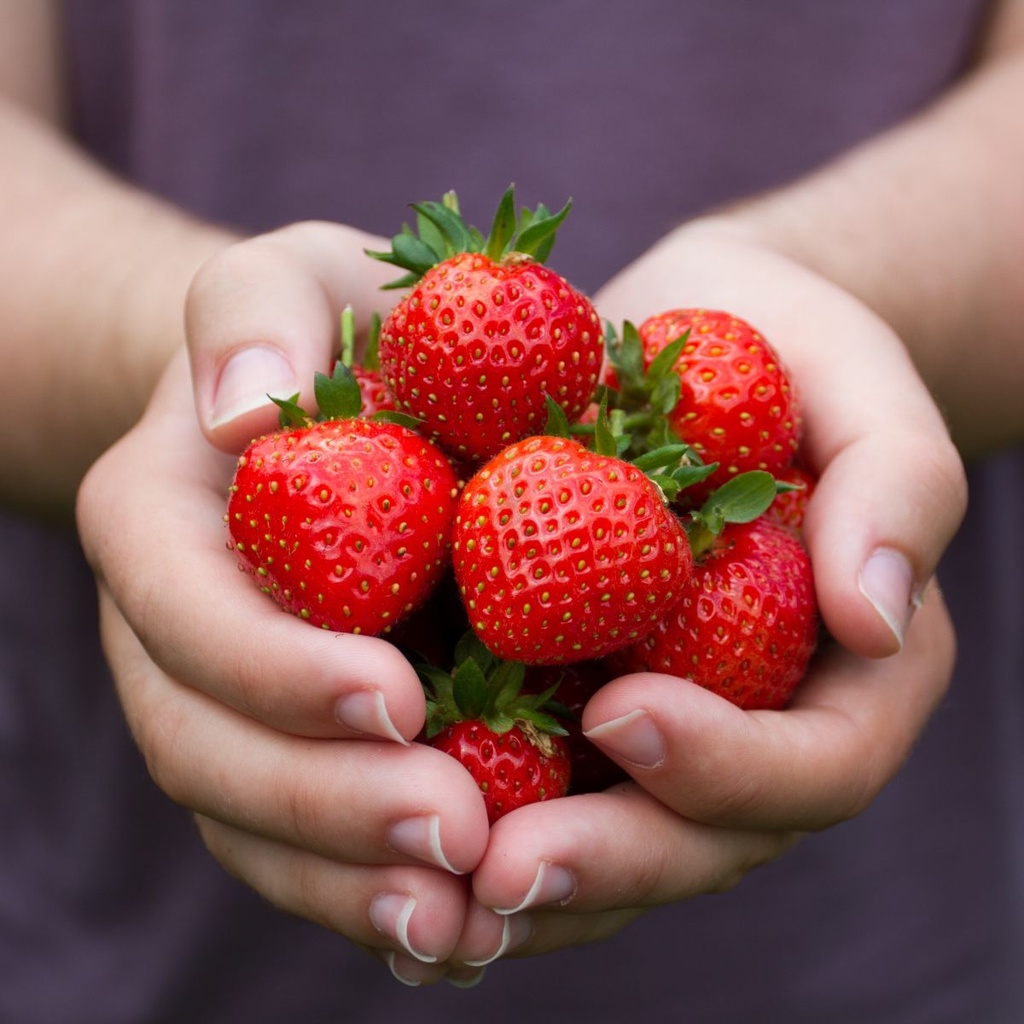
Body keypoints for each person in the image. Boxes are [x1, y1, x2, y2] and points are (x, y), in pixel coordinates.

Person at [2, 0, 1021, 1019]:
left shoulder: (573, 517)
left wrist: (857, 293)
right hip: (156, 955)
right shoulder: (491, 495)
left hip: (880, 956)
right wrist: (194, 356)